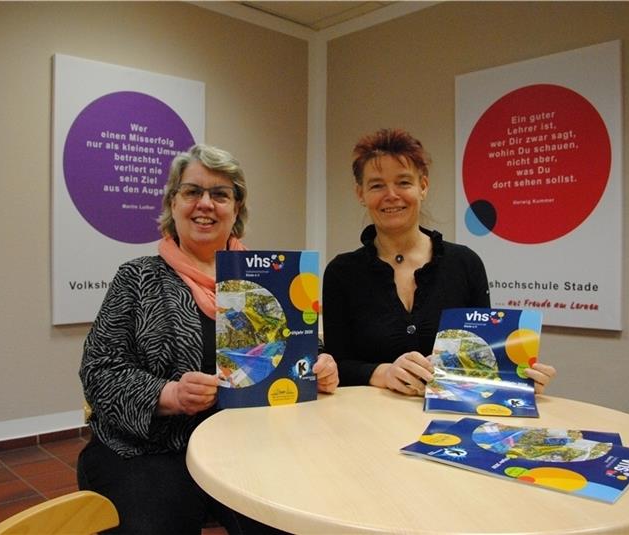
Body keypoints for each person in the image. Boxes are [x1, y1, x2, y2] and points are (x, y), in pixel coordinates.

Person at [77, 143, 339, 535]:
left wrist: (320, 366)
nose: (205, 203)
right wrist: (170, 395)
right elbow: (99, 372)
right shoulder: (137, 278)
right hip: (150, 449)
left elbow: (297, 349)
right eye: (192, 191)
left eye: (220, 194)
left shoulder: (264, 277)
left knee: (292, 520)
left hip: (248, 443)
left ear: (236, 209)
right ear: (173, 204)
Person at [321, 128, 555, 396]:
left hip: (451, 423)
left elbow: (482, 356)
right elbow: (336, 366)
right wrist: (383, 373)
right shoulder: (342, 273)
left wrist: (518, 377)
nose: (391, 195)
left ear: (423, 186)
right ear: (360, 193)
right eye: (376, 185)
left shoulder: (465, 264)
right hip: (370, 424)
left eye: (404, 182)